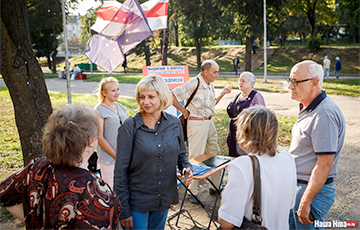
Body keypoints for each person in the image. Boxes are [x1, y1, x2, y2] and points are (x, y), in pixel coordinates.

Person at [0, 103, 121, 229]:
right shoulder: (97, 192)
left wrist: (33, 220)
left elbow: (4, 193)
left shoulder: (37, 166)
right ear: (90, 141)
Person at [114, 75, 193, 229]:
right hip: (137, 200)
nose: (145, 102)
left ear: (162, 97)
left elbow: (181, 155)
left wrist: (186, 168)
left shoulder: (174, 123)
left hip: (163, 197)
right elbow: (119, 171)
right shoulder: (130, 126)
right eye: (142, 97)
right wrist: (123, 210)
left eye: (151, 97)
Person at [287, 60, 345, 229]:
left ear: (314, 83)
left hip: (311, 192)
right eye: (290, 80)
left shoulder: (324, 114)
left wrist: (305, 201)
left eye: (296, 81)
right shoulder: (310, 107)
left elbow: (324, 165)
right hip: (301, 187)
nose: (290, 86)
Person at [218, 106, 297, 229]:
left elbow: (227, 223)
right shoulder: (288, 158)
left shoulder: (242, 165)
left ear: (245, 133)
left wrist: (224, 197)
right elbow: (290, 204)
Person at [171, 59, 233, 203]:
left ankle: (216, 186)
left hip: (209, 122)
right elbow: (172, 95)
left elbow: (211, 104)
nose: (217, 75)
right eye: (215, 72)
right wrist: (183, 111)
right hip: (197, 123)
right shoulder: (194, 83)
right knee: (196, 157)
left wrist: (223, 93)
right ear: (205, 72)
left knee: (215, 153)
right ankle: (193, 191)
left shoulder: (210, 84)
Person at [95, 77, 127, 189]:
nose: (117, 93)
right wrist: (116, 155)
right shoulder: (99, 110)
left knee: (123, 190)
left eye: (118, 89)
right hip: (109, 159)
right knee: (111, 190)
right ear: (104, 93)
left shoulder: (121, 108)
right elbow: (100, 138)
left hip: (124, 157)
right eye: (113, 90)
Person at [226, 71, 265, 157]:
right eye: (239, 80)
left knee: (245, 160)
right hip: (233, 133)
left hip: (247, 135)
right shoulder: (237, 96)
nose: (240, 83)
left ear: (251, 84)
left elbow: (262, 117)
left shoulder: (256, 96)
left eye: (243, 81)